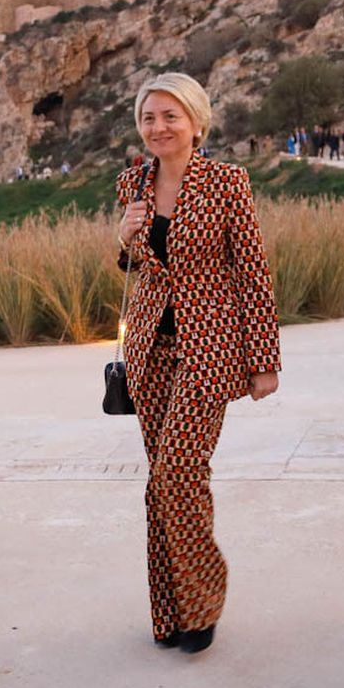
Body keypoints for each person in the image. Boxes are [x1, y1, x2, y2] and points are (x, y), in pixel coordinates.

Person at [114, 72, 281, 654]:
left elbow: (251, 272)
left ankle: (203, 599)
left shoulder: (227, 183)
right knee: (161, 482)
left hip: (209, 349)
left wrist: (263, 359)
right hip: (148, 350)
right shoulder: (131, 183)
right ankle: (171, 614)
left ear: (196, 121)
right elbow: (134, 264)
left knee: (178, 472)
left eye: (170, 116)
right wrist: (123, 235)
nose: (158, 127)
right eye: (148, 118)